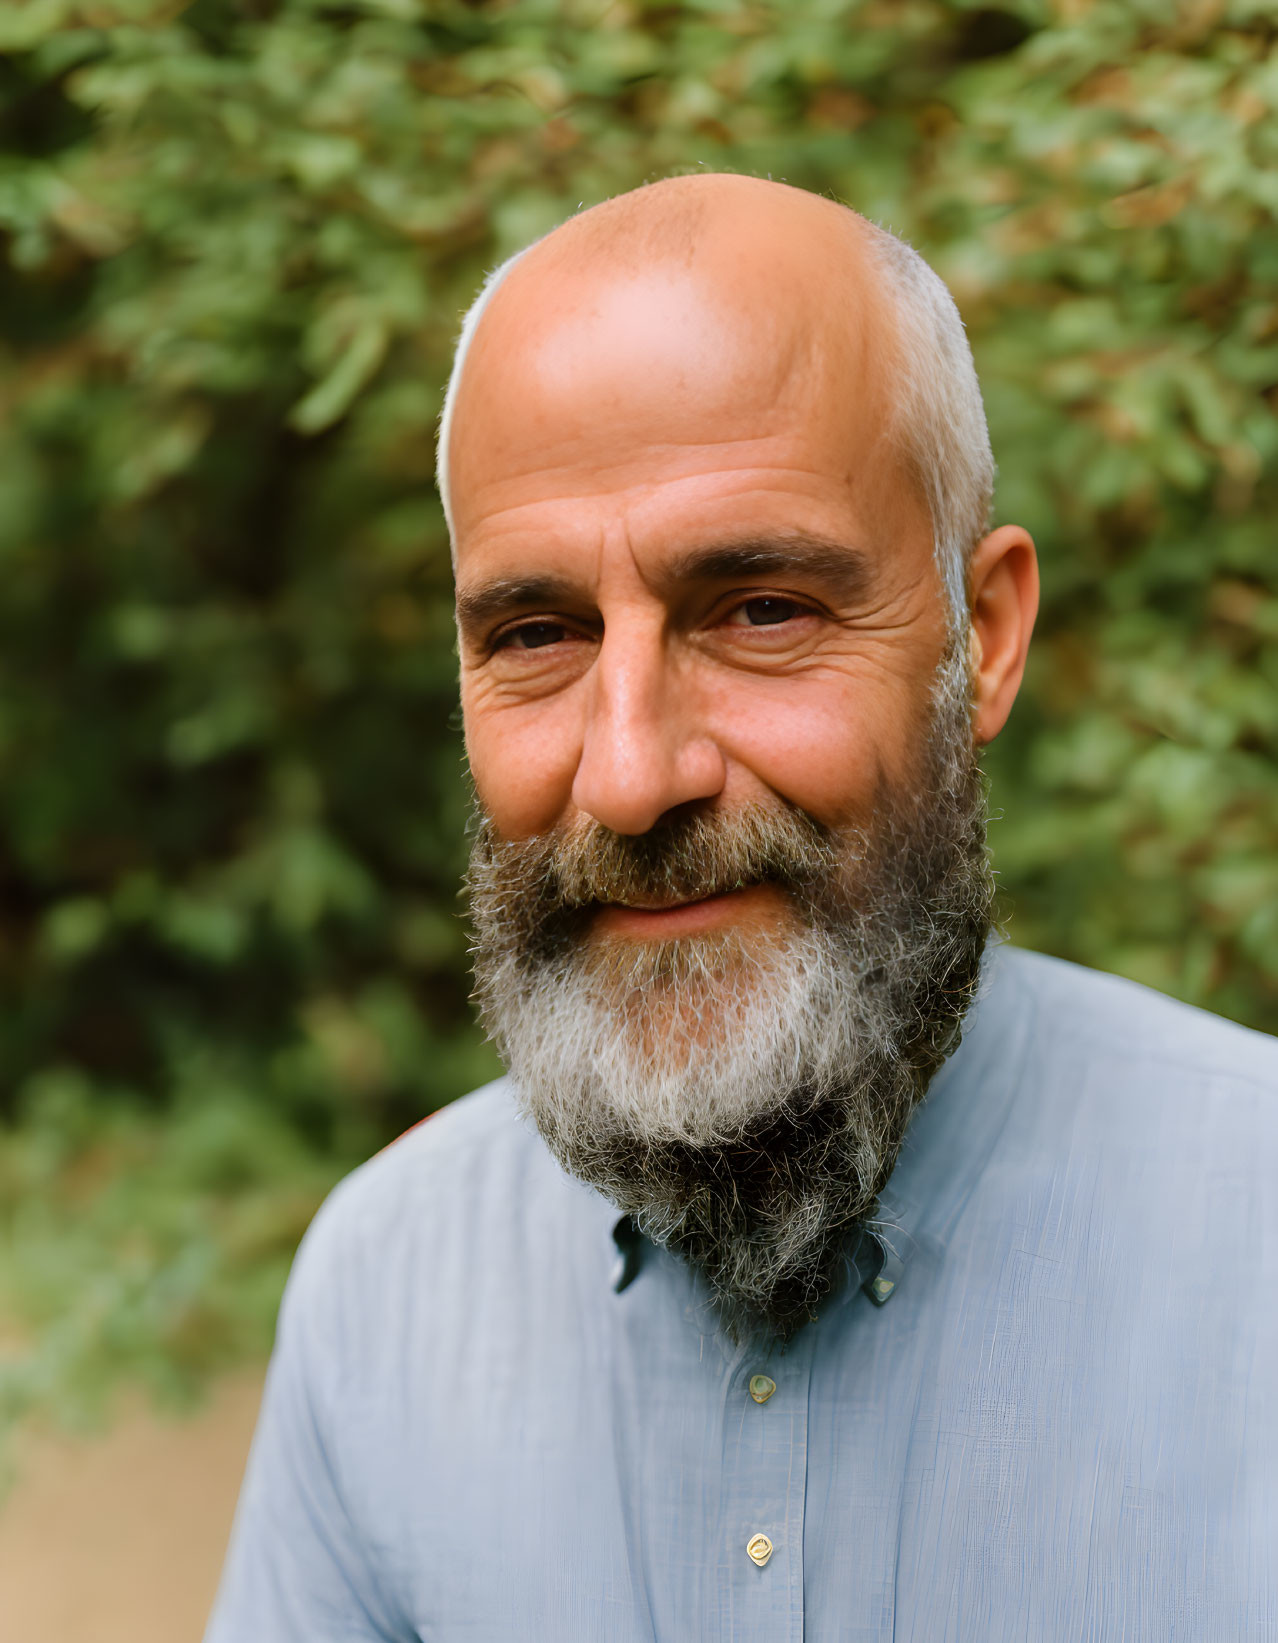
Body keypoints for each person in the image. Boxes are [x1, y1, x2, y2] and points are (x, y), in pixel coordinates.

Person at [205, 175, 1278, 1641]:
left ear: (987, 637)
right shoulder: (387, 1296)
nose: (632, 774)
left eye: (761, 609)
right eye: (535, 634)